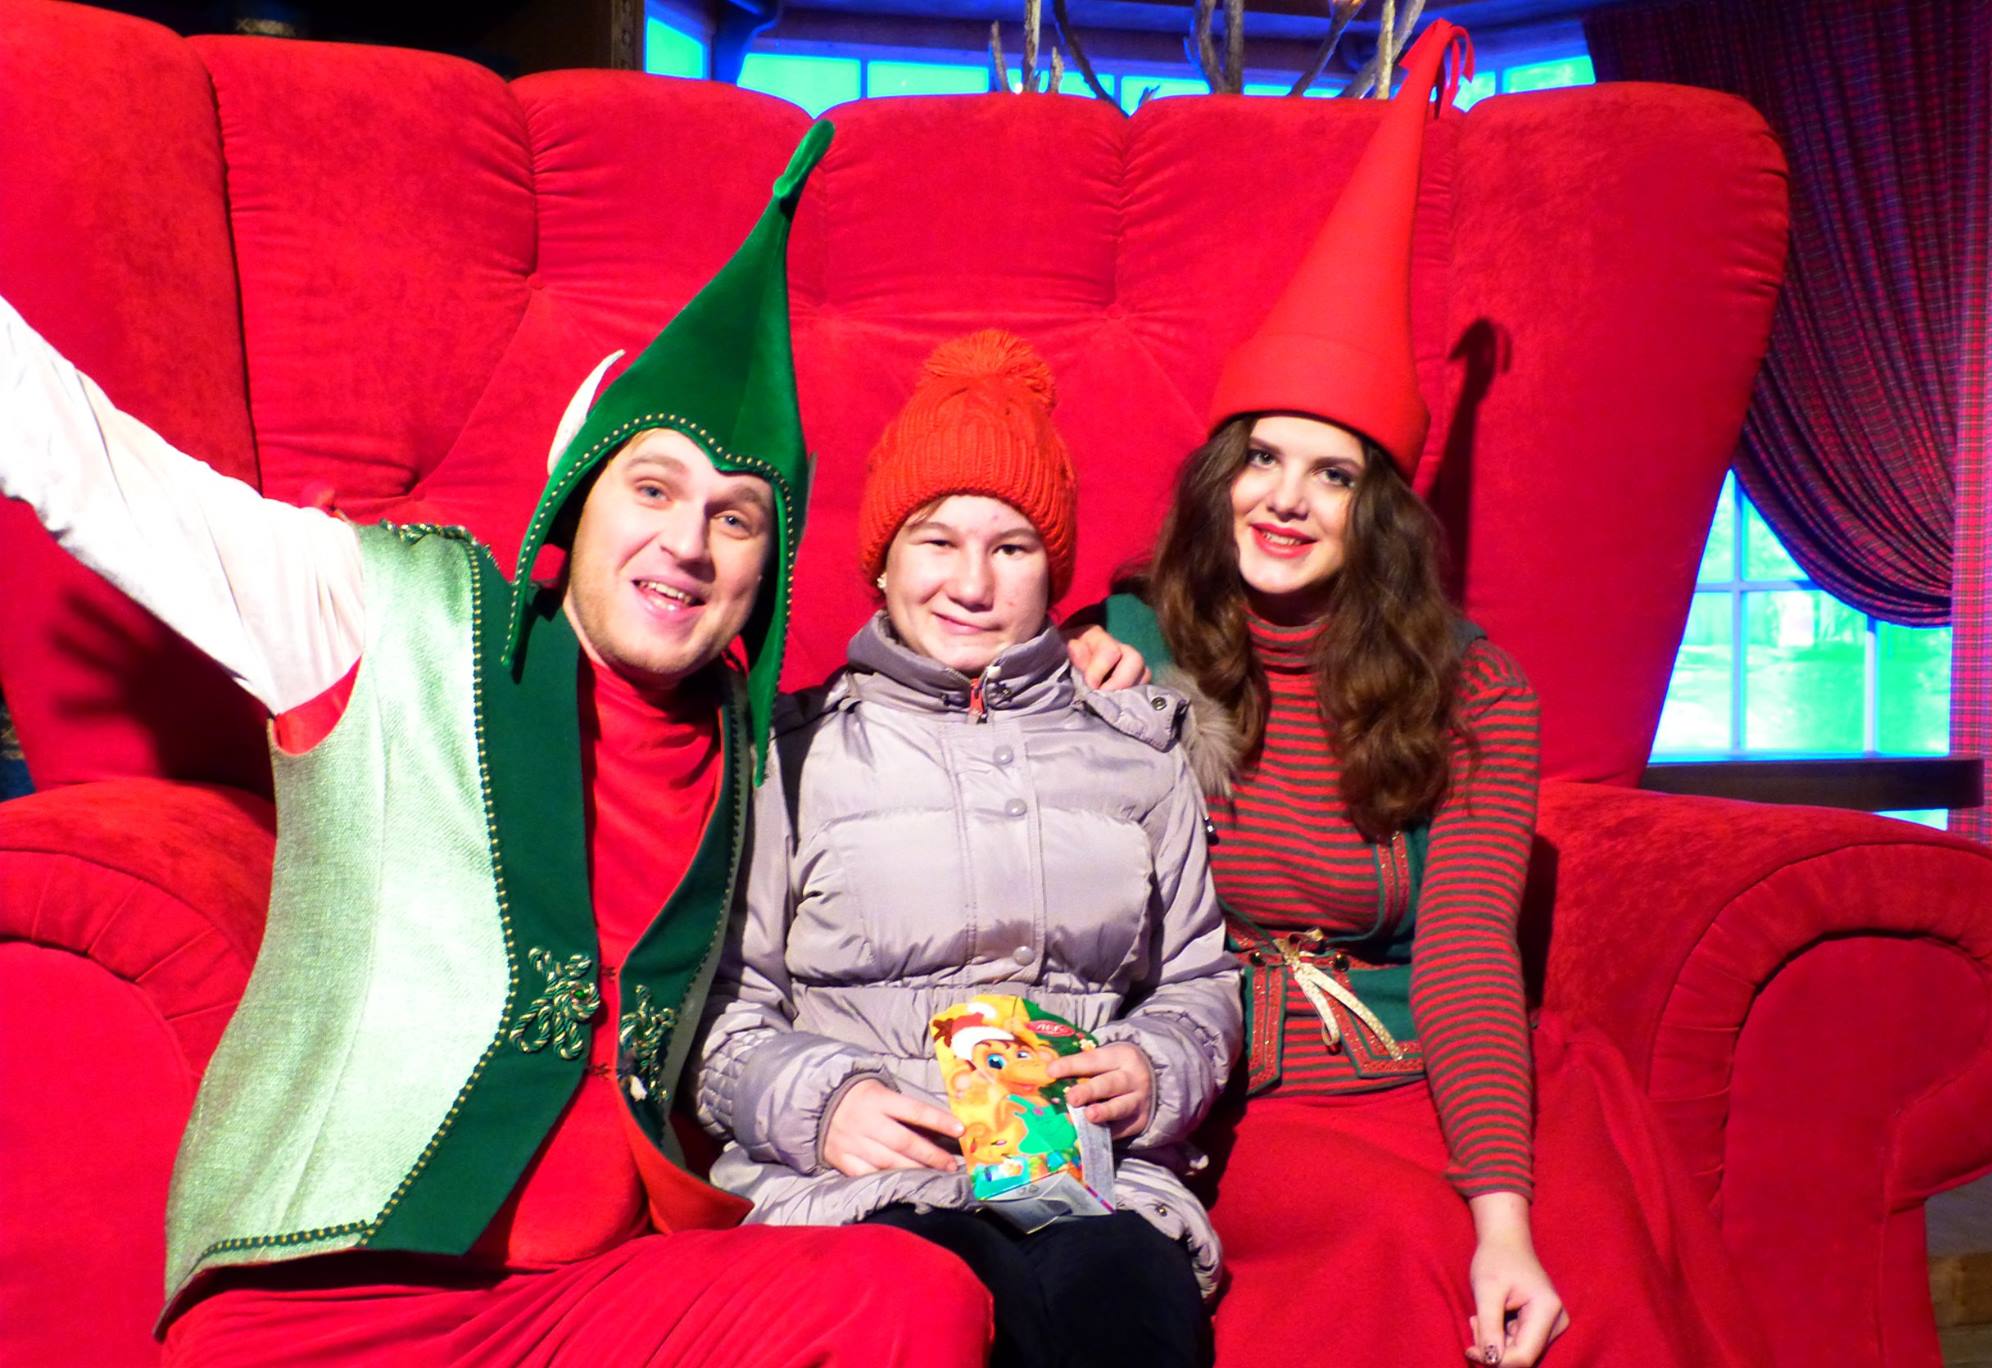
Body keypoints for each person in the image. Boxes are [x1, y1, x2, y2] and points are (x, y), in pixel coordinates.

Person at [0, 125, 993, 1366]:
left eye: (734, 518)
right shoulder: (388, 614)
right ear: (576, 502)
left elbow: (946, 768)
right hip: (331, 1300)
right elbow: (98, 470)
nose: (687, 544)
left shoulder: (753, 746)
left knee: (912, 1297)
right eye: (651, 490)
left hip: (594, 1298)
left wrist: (1087, 656)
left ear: (766, 570)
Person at [1087, 21, 1770, 1368]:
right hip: (1230, 1081)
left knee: (1573, 1274)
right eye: (1261, 459)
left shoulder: (1473, 691)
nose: (1285, 499)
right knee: (1397, 1249)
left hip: (1429, 1062)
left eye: (1332, 474)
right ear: (1218, 476)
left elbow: (1462, 952)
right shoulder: (1125, 640)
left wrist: (1503, 1216)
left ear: (1379, 512)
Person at [691, 330, 1241, 1368]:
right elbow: (716, 1005)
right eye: (936, 541)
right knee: (940, 1311)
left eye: (1012, 548)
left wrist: (1154, 1069)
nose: (973, 584)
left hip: (1092, 1183)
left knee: (1129, 1315)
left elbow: (1198, 979)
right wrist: (820, 1106)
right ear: (883, 561)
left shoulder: (1138, 750)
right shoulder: (788, 757)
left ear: (1053, 570)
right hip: (861, 1190)